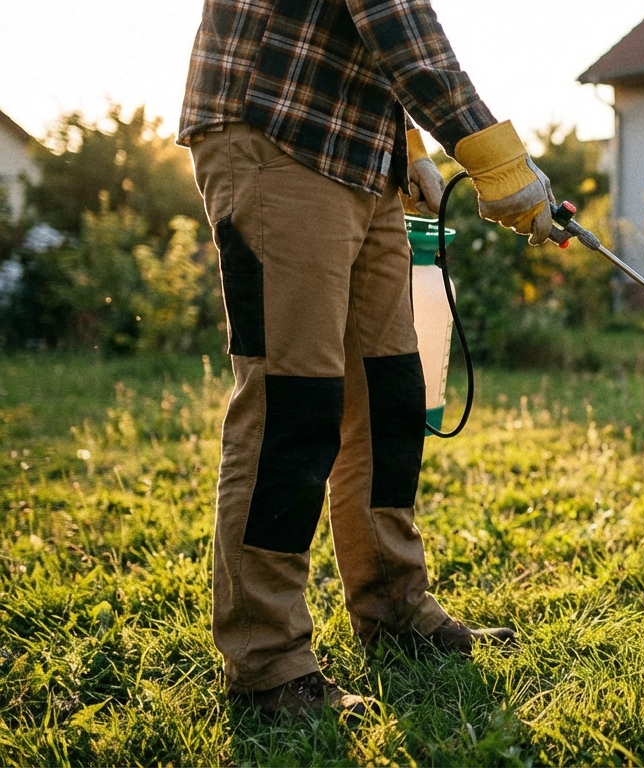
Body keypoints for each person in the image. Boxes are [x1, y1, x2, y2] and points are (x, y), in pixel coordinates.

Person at [176, 0, 552, 719]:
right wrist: (497, 161)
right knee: (294, 399)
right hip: (274, 129)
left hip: (359, 151)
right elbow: (396, 21)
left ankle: (395, 610)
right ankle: (267, 664)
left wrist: (405, 147)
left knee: (389, 396)